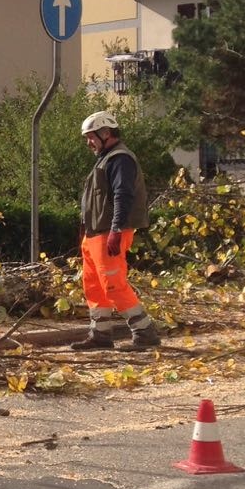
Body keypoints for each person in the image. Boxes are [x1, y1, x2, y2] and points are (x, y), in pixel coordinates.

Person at [74, 111, 159, 350]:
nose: (88, 142)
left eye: (91, 137)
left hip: (108, 233)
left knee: (113, 283)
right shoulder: (106, 158)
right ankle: (100, 334)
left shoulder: (120, 159)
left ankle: (144, 332)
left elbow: (123, 196)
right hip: (95, 233)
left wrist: (116, 229)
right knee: (94, 285)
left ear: (105, 133)